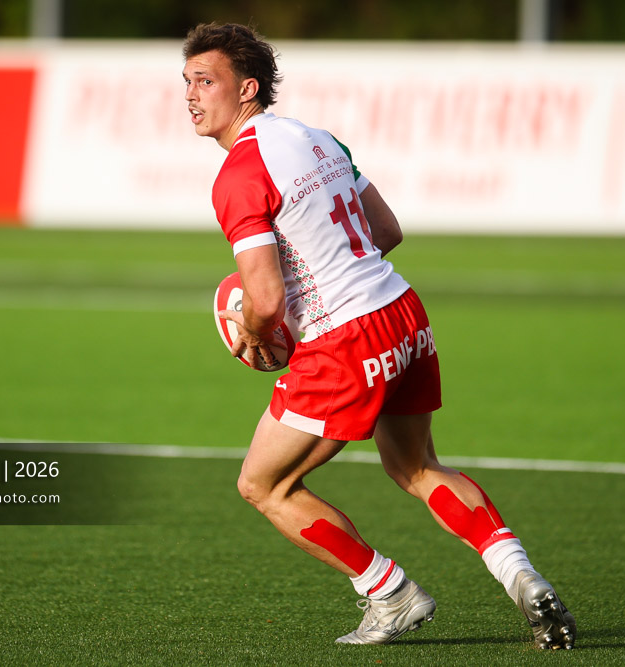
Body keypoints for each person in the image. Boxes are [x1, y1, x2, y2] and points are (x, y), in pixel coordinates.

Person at [182, 22, 576, 649]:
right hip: (401, 310)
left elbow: (264, 300)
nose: (192, 95)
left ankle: (388, 592)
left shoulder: (237, 175)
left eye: (206, 81)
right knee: (417, 465)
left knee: (263, 484)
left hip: (345, 339)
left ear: (247, 88)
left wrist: (252, 332)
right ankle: (523, 577)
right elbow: (386, 230)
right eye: (187, 82)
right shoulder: (319, 139)